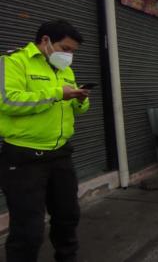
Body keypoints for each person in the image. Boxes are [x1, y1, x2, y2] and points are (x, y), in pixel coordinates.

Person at [0, 20, 90, 262]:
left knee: (68, 216)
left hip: (60, 154)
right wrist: (57, 93)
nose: (69, 56)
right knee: (28, 229)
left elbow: (75, 108)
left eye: (73, 52)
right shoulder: (13, 62)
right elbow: (8, 101)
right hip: (24, 158)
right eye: (65, 48)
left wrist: (79, 99)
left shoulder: (64, 70)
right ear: (45, 41)